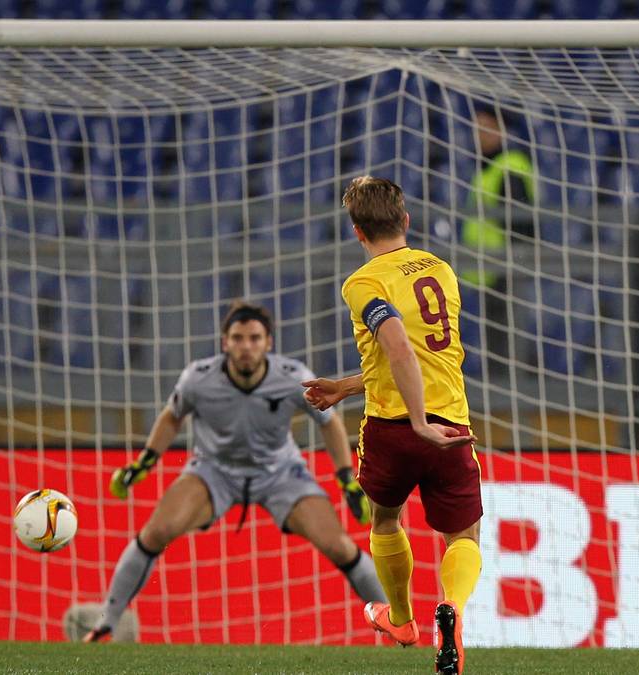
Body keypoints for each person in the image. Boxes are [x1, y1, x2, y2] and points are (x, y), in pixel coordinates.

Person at [82, 301, 385, 642]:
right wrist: (144, 462)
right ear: (225, 342)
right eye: (238, 338)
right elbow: (172, 415)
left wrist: (346, 478)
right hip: (215, 471)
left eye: (254, 338)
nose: (246, 346)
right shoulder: (199, 378)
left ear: (268, 343)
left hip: (280, 472)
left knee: (340, 546)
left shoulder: (291, 377)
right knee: (156, 531)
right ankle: (107, 620)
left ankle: (393, 620)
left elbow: (327, 423)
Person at [303, 176, 480, 675]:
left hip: (392, 428)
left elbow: (399, 346)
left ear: (357, 232)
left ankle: (401, 620)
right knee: (463, 537)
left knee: (385, 520)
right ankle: (454, 610)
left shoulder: (362, 282)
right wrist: (345, 384)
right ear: (405, 220)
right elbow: (417, 355)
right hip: (450, 423)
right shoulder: (440, 269)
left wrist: (415, 422)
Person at [460, 106, 536, 377]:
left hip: (504, 265)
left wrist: (513, 259)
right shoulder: (488, 166)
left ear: (501, 130)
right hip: (486, 266)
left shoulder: (509, 165)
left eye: (485, 128)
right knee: (495, 334)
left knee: (506, 335)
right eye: (476, 128)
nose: (479, 135)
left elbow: (520, 221)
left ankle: (511, 391)